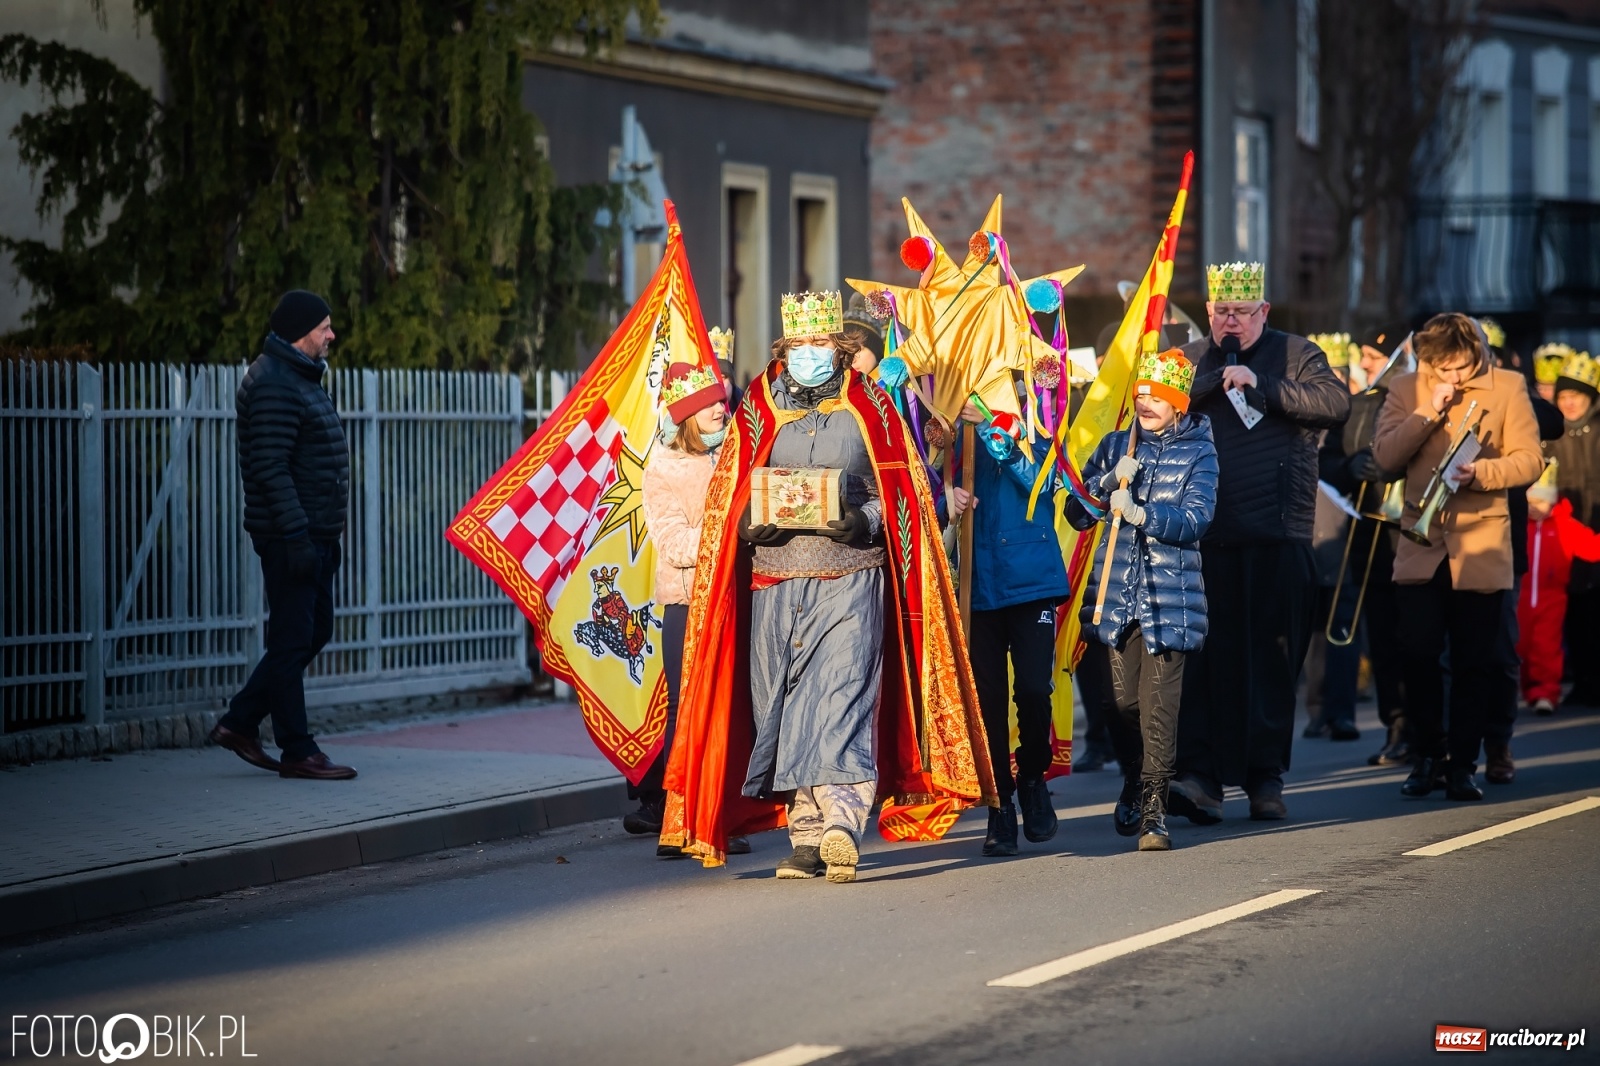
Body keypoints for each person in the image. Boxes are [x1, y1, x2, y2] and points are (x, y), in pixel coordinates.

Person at [659, 291, 995, 881]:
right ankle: (807, 835)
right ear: (784, 349)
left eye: (819, 345)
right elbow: (729, 496)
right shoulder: (757, 407)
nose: (808, 355)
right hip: (772, 581)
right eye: (798, 347)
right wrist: (745, 524)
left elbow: (901, 495)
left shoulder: (874, 405)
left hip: (851, 575)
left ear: (837, 349)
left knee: (841, 697)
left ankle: (842, 821)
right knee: (783, 710)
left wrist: (861, 521)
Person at [1169, 263, 1349, 823]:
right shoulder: (1190, 357)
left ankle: (1264, 777)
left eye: (1243, 314)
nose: (1232, 323)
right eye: (1222, 312)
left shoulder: (1298, 353)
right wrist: (1211, 379)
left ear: (1263, 313)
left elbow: (1334, 404)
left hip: (1277, 534)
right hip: (1203, 539)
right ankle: (1200, 778)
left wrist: (1261, 385)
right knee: (1203, 663)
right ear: (1208, 314)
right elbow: (1153, 408)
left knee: (1270, 664)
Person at [1372, 312, 1543, 801]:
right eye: (1443, 368)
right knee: (1418, 651)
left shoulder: (1507, 385)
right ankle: (1428, 753)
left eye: (1462, 367)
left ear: (1477, 353)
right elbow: (1383, 457)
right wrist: (1428, 410)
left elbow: (1530, 459)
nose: (1454, 376)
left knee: (1475, 660)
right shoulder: (1407, 388)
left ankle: (1463, 764)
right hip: (1421, 542)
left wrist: (1484, 473)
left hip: (1481, 542)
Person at [1067, 349, 1217, 851]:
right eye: (1143, 394)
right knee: (1121, 702)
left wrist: (1142, 515)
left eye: (1160, 396)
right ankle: (1134, 775)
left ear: (1179, 402)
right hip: (1116, 594)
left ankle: (1155, 810)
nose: (1147, 402)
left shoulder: (1200, 449)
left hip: (1170, 598)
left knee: (1158, 707)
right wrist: (1106, 484)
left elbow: (1198, 518)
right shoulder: (1115, 445)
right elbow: (1076, 513)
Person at [210, 290, 357, 780]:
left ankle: (240, 721)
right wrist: (296, 536)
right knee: (294, 639)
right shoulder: (274, 383)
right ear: (301, 331)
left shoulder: (298, 377)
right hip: (293, 535)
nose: (331, 335)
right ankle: (297, 749)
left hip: (315, 533)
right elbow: (271, 470)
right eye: (325, 327)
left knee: (312, 632)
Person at [629, 359, 743, 853]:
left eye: (722, 401)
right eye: (709, 404)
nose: (722, 409)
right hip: (688, 604)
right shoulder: (663, 467)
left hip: (734, 600)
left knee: (731, 710)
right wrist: (732, 526)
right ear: (688, 416)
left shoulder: (738, 454)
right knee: (687, 713)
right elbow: (675, 545)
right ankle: (679, 821)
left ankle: (719, 817)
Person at [956, 389, 1072, 857]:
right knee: (987, 705)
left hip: (1030, 581)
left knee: (1031, 690)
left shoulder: (1040, 416)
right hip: (977, 585)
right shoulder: (952, 415)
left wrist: (991, 426)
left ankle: (1031, 777)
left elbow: (1044, 483)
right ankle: (999, 805)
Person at [1519, 460, 1600, 717]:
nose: (1535, 508)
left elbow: (1590, 546)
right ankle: (1525, 688)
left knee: (1547, 646)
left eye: (1540, 502)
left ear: (1552, 501)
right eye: (1530, 502)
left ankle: (1545, 692)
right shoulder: (1519, 525)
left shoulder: (1564, 524)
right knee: (1518, 646)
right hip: (1520, 597)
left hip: (1552, 597)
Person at [1547, 349, 1600, 708]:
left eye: (1575, 396)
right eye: (1563, 397)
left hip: (1597, 523)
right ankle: (1581, 680)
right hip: (1565, 529)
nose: (1568, 404)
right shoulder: (1553, 433)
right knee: (1573, 609)